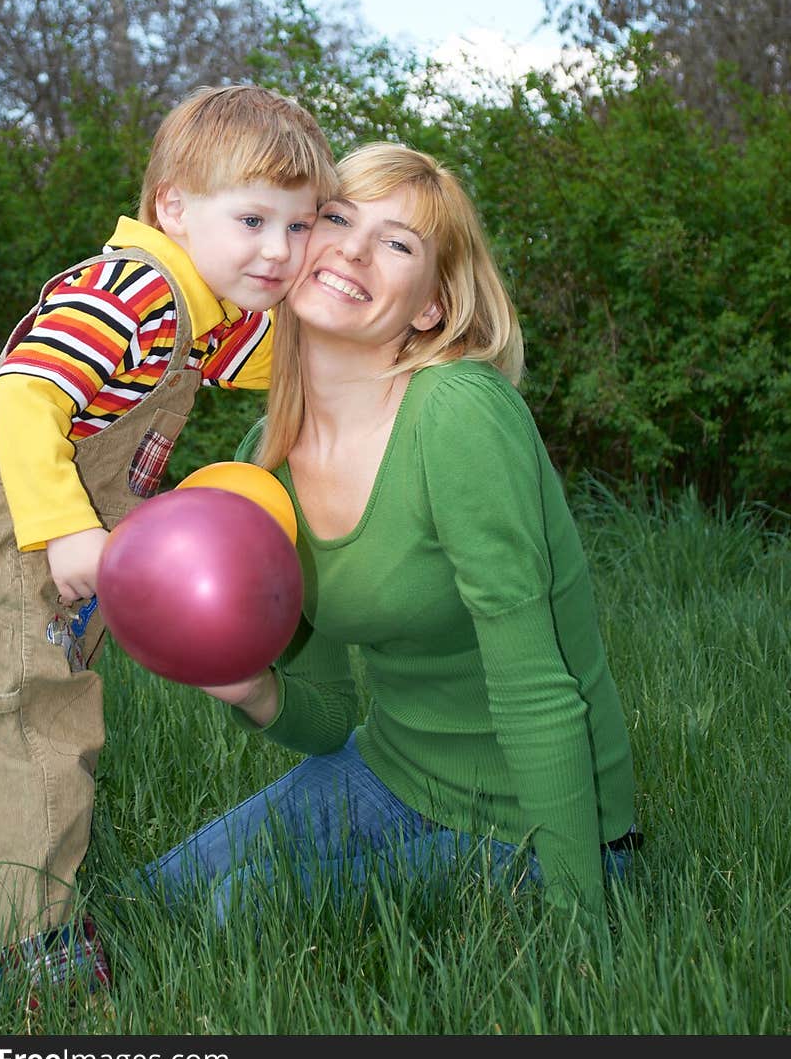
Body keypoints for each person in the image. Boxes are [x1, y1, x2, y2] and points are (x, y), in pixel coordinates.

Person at [0, 83, 337, 1002]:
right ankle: (41, 953)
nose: (280, 249)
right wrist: (66, 526)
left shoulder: (203, 312)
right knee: (38, 749)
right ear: (174, 205)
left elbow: (271, 358)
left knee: (7, 755)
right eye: (254, 217)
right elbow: (29, 392)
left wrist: (346, 328)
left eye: (301, 227)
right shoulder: (129, 291)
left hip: (52, 576)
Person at [144, 142, 638, 929]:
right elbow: (331, 713)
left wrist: (583, 916)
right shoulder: (260, 466)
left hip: (537, 817)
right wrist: (247, 686)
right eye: (336, 217)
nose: (352, 248)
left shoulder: (458, 413)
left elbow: (537, 684)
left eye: (398, 242)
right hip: (392, 770)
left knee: (239, 907)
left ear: (430, 306)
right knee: (154, 895)